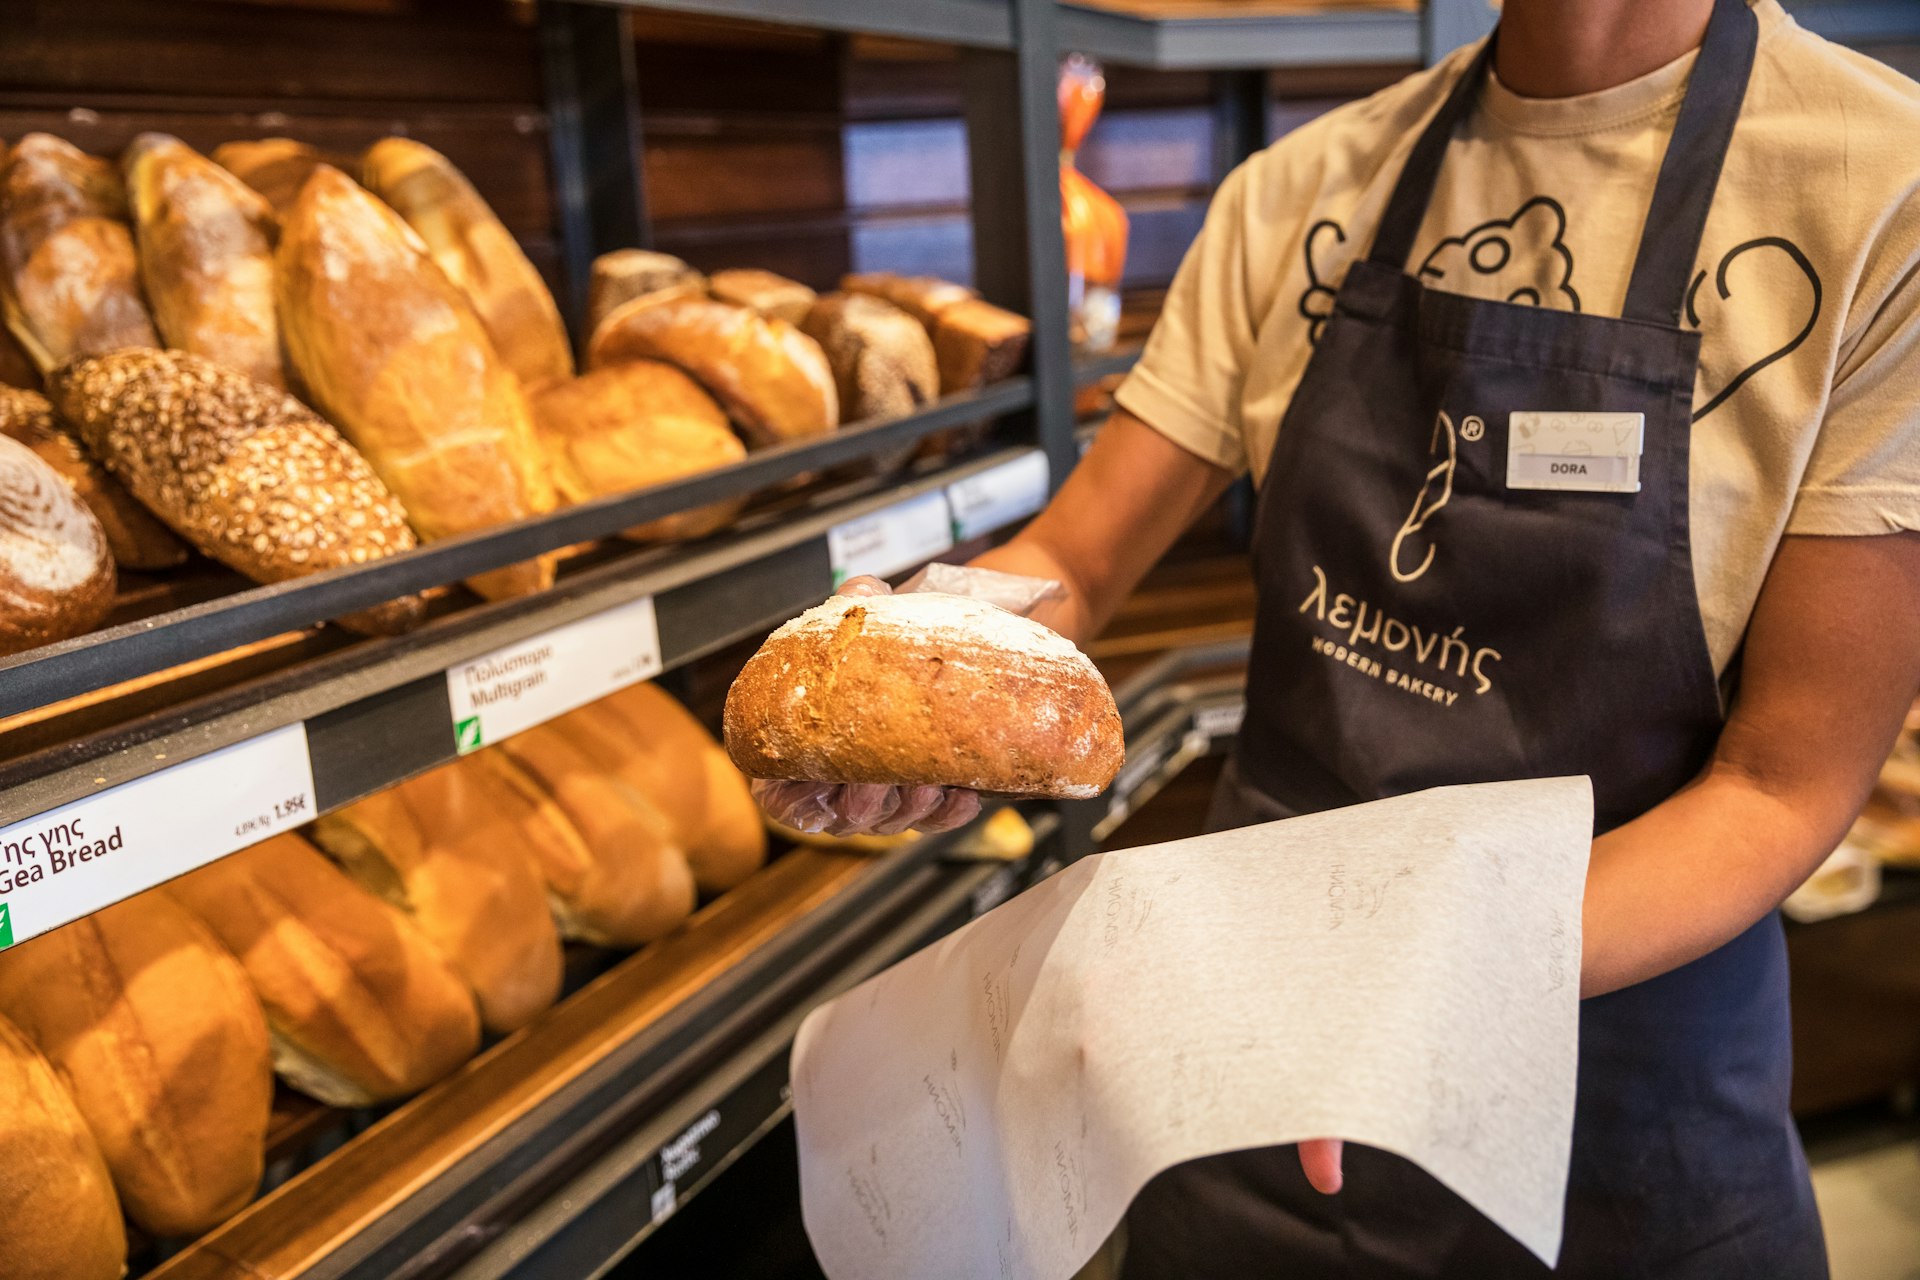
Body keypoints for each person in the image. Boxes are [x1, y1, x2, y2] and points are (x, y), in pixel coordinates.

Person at [753, 0, 1920, 1272]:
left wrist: (1371, 979)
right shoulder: (1299, 190)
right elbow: (1077, 563)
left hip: (1617, 1105)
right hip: (1251, 1081)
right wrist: (929, 649)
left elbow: (1782, 784)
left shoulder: (1878, 193)